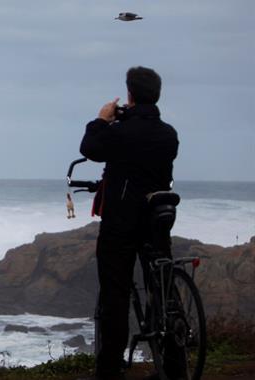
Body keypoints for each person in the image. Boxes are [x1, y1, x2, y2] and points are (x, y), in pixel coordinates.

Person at [79, 66, 179, 380]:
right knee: (163, 287)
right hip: (158, 218)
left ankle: (109, 370)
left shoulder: (120, 133)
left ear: (130, 95)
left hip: (121, 221)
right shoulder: (169, 134)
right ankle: (175, 366)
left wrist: (102, 119)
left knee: (115, 294)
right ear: (156, 95)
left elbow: (90, 148)